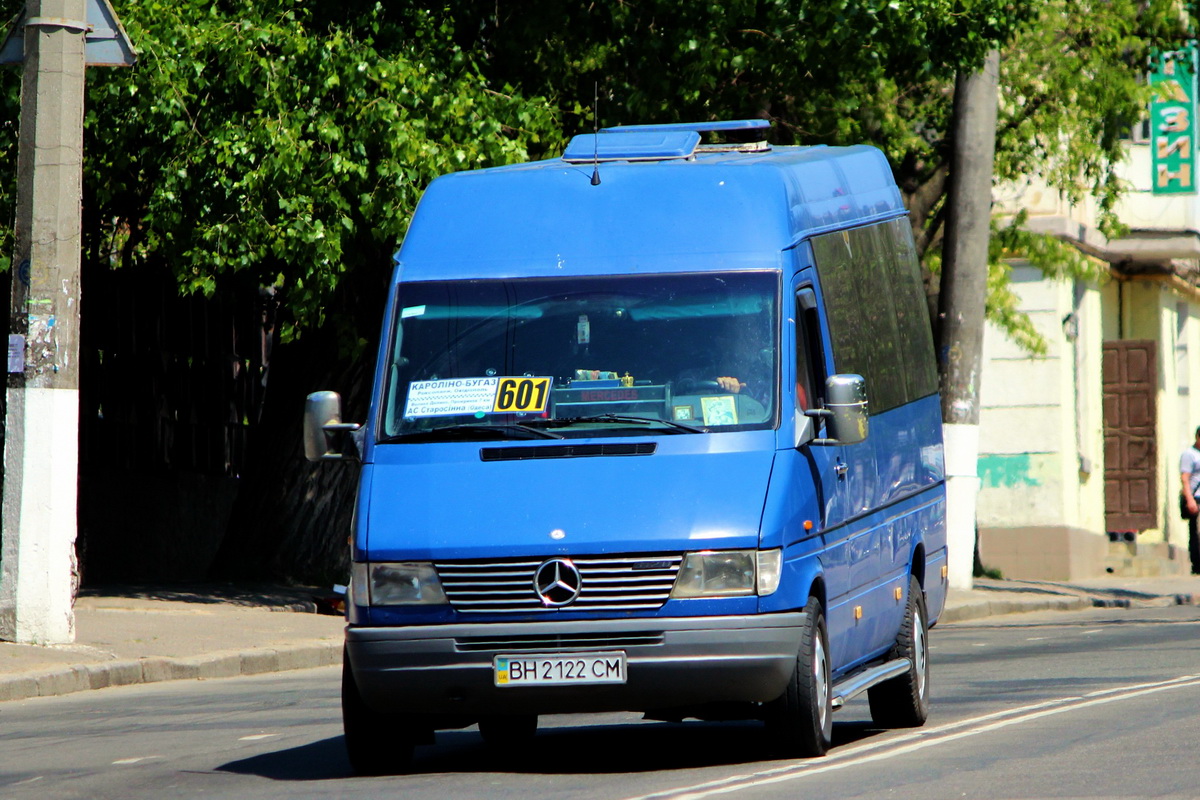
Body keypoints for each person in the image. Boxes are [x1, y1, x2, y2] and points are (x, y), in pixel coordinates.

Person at [1179, 426, 1200, 574]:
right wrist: (1190, 499)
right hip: (1196, 498)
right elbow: (1185, 479)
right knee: (1197, 533)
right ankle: (1197, 565)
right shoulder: (1189, 454)